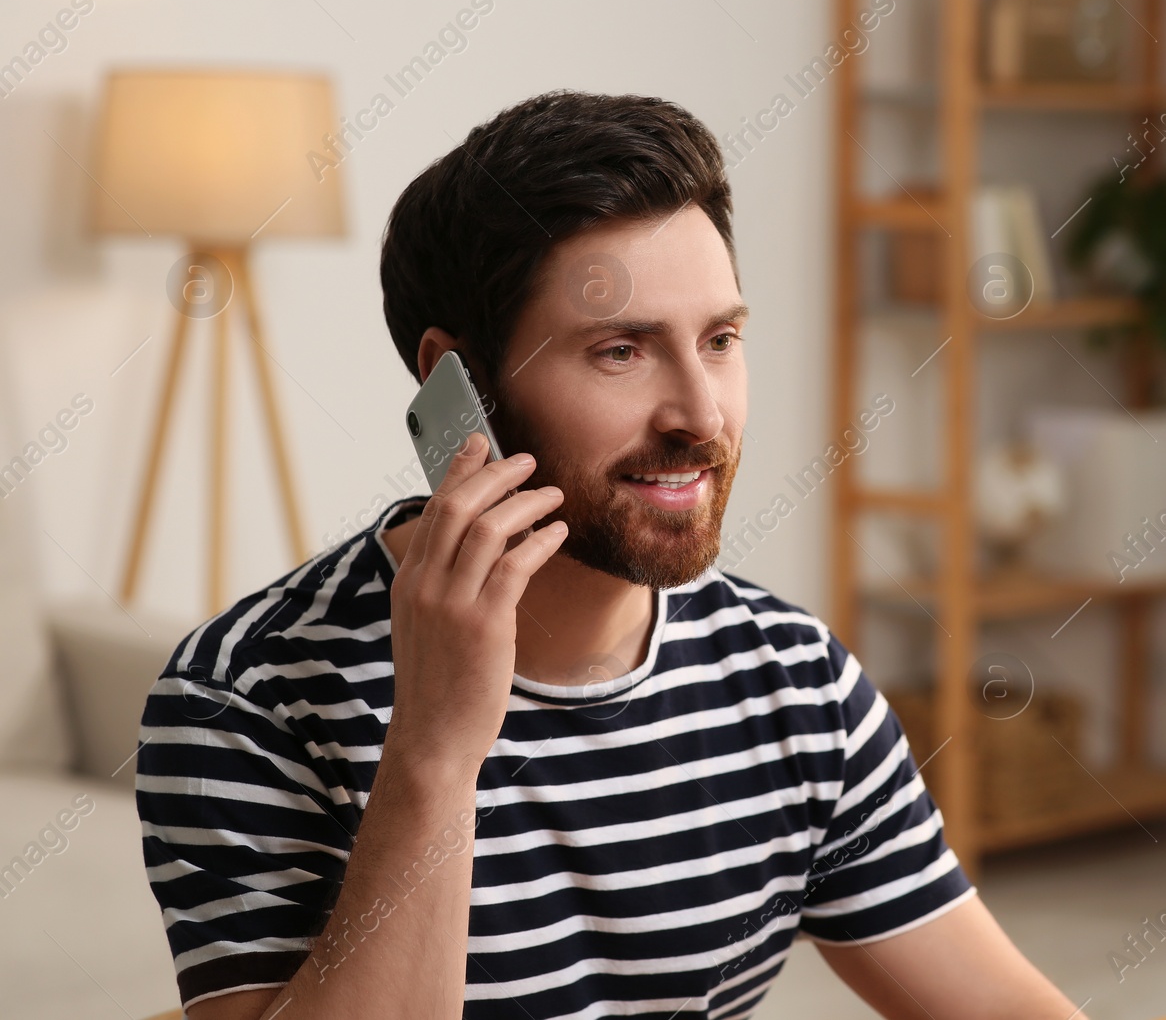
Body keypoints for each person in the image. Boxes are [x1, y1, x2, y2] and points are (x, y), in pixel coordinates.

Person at [135, 89, 1086, 1020]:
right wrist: (434, 748)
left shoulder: (794, 679)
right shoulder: (246, 698)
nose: (701, 415)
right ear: (452, 384)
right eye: (621, 351)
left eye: (719, 339)